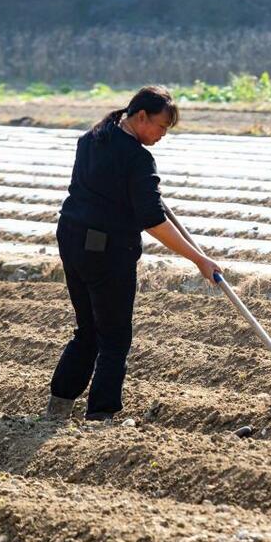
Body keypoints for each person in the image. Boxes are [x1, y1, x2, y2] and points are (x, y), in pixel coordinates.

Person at [46, 85, 222, 422]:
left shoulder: (93, 138)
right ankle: (101, 415)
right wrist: (199, 259)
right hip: (107, 250)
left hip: (71, 238)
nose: (161, 135)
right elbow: (153, 221)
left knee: (88, 330)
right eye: (161, 126)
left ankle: (58, 407)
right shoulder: (137, 158)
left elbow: (103, 190)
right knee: (114, 337)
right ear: (141, 116)